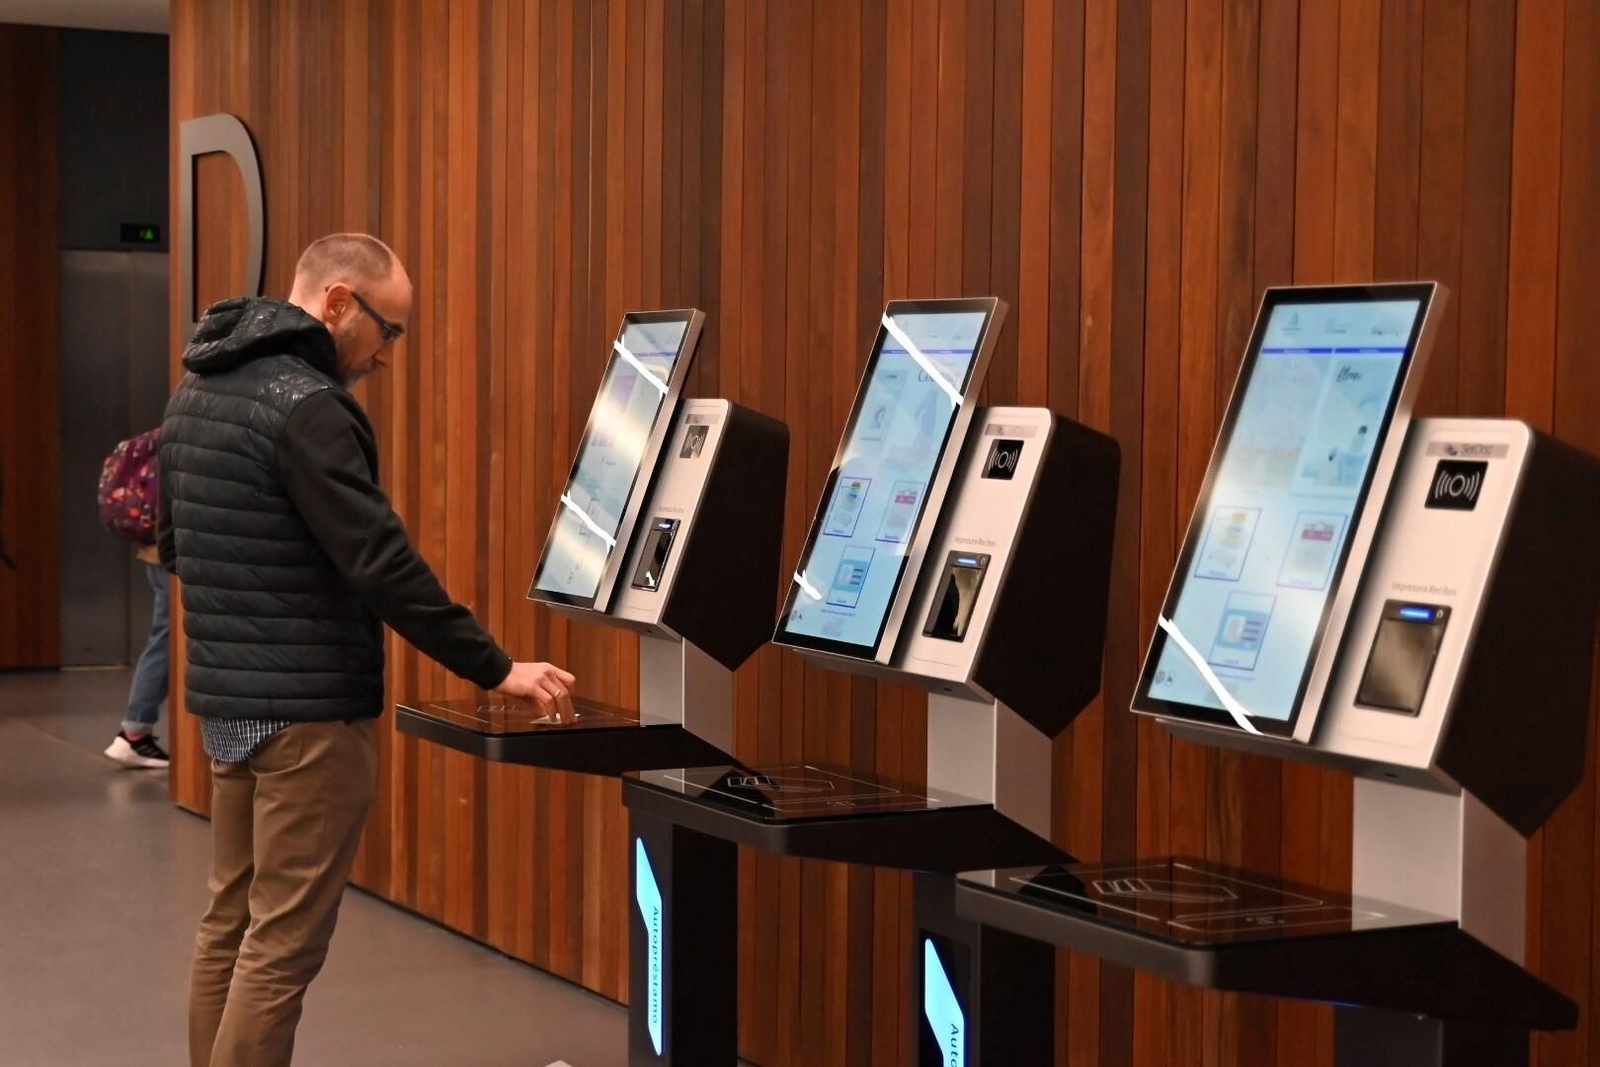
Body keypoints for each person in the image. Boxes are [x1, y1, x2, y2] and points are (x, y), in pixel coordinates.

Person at [157, 233, 576, 1067]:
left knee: (229, 924)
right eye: (389, 331)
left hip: (228, 707)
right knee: (280, 949)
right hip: (309, 719)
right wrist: (496, 665)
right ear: (338, 302)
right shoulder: (308, 407)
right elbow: (381, 562)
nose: (387, 356)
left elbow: (175, 544)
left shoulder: (196, 390)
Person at [102, 541, 172, 768]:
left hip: (157, 549)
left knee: (164, 637)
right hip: (174, 553)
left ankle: (135, 730)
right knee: (167, 641)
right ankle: (135, 732)